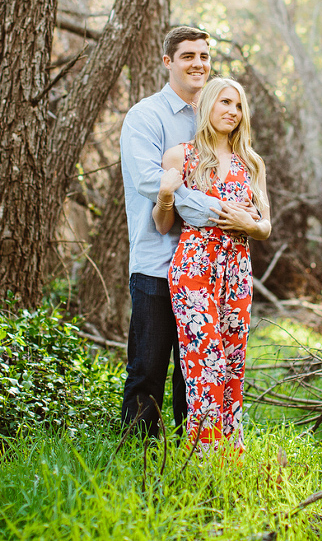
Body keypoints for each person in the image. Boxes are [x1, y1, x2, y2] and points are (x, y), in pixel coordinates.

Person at [154, 77, 271, 451]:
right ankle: (203, 452)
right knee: (206, 362)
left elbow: (266, 226)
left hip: (237, 271)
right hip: (195, 268)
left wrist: (248, 224)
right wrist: (166, 194)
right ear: (207, 105)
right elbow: (161, 224)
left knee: (234, 360)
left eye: (238, 106)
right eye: (225, 103)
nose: (232, 112)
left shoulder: (251, 163)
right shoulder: (180, 156)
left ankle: (230, 452)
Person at [119, 26, 222, 437]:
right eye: (187, 56)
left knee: (193, 368)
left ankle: (187, 450)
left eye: (203, 56)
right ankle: (137, 453)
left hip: (204, 265)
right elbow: (149, 180)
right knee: (148, 365)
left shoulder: (216, 116)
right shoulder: (145, 116)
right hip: (158, 262)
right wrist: (217, 211)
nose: (198, 64)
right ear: (168, 62)